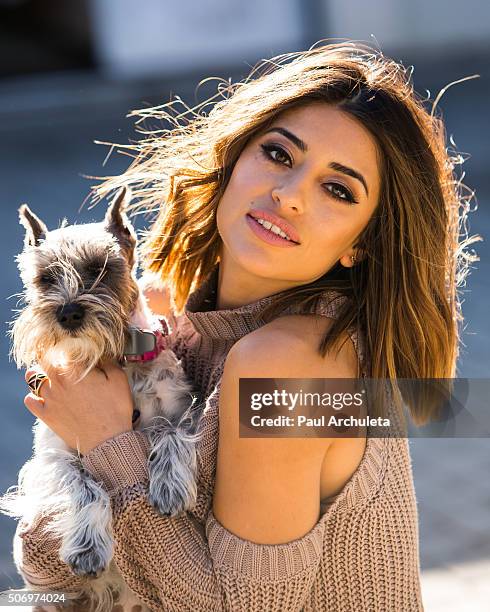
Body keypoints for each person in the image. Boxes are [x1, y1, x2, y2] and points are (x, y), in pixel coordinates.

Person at [14, 41, 478, 611]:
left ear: (361, 244)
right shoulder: (165, 316)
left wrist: (107, 443)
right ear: (234, 160)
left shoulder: (291, 366)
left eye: (337, 189)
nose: (289, 196)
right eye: (280, 155)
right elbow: (43, 564)